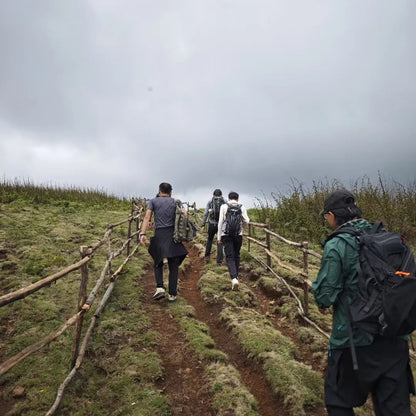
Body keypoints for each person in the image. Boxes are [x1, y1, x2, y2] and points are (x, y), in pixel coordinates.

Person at [312, 189, 414, 416]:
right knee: (395, 411)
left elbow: (324, 296)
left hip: (353, 341)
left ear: (331, 215)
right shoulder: (391, 239)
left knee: (338, 401)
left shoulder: (337, 244)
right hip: (395, 339)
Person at [139, 182, 188, 302]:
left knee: (158, 261)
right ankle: (172, 294)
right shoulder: (175, 201)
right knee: (174, 265)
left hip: (160, 234)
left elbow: (147, 217)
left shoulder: (153, 201)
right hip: (173, 235)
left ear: (159, 191)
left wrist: (143, 233)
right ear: (171, 192)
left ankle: (160, 288)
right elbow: (185, 214)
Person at [217, 191, 250, 290]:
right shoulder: (242, 207)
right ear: (237, 199)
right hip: (238, 235)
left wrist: (219, 237)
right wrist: (243, 227)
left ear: (229, 198)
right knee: (237, 255)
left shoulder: (224, 206)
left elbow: (220, 222)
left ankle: (234, 278)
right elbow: (247, 221)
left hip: (226, 235)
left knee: (229, 257)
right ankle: (236, 276)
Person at [201, 189, 225, 264]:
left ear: (213, 195)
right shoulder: (224, 202)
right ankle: (219, 261)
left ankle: (207, 257)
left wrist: (203, 224)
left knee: (210, 239)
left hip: (212, 224)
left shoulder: (210, 202)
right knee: (220, 241)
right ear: (221, 194)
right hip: (221, 225)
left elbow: (205, 214)